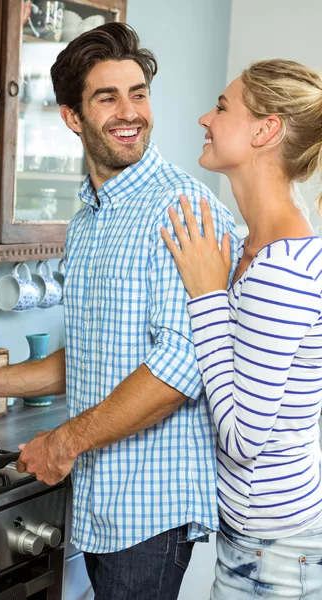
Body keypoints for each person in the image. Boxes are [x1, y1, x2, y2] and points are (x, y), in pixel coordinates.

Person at [0, 24, 237, 600]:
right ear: (72, 117)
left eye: (138, 93)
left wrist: (64, 441)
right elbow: (98, 352)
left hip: (150, 506)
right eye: (107, 96)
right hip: (101, 497)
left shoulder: (183, 209)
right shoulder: (89, 219)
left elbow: (179, 370)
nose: (130, 112)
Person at [161, 58, 322, 600]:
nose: (205, 117)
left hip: (274, 551)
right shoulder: (262, 246)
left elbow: (242, 438)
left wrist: (206, 294)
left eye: (223, 106)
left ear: (265, 130)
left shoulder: (280, 270)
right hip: (263, 539)